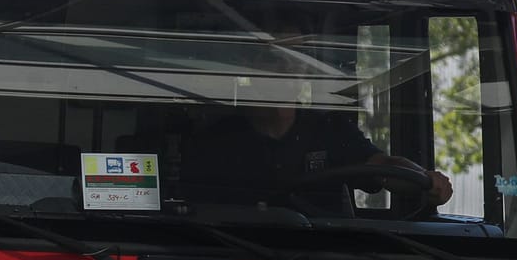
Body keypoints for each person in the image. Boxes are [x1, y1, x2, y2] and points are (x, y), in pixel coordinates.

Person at [189, 104, 453, 209]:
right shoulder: (217, 138)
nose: (285, 71)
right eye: (274, 61)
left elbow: (381, 166)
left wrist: (425, 180)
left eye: (293, 60)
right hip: (235, 258)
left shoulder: (330, 130)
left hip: (326, 257)